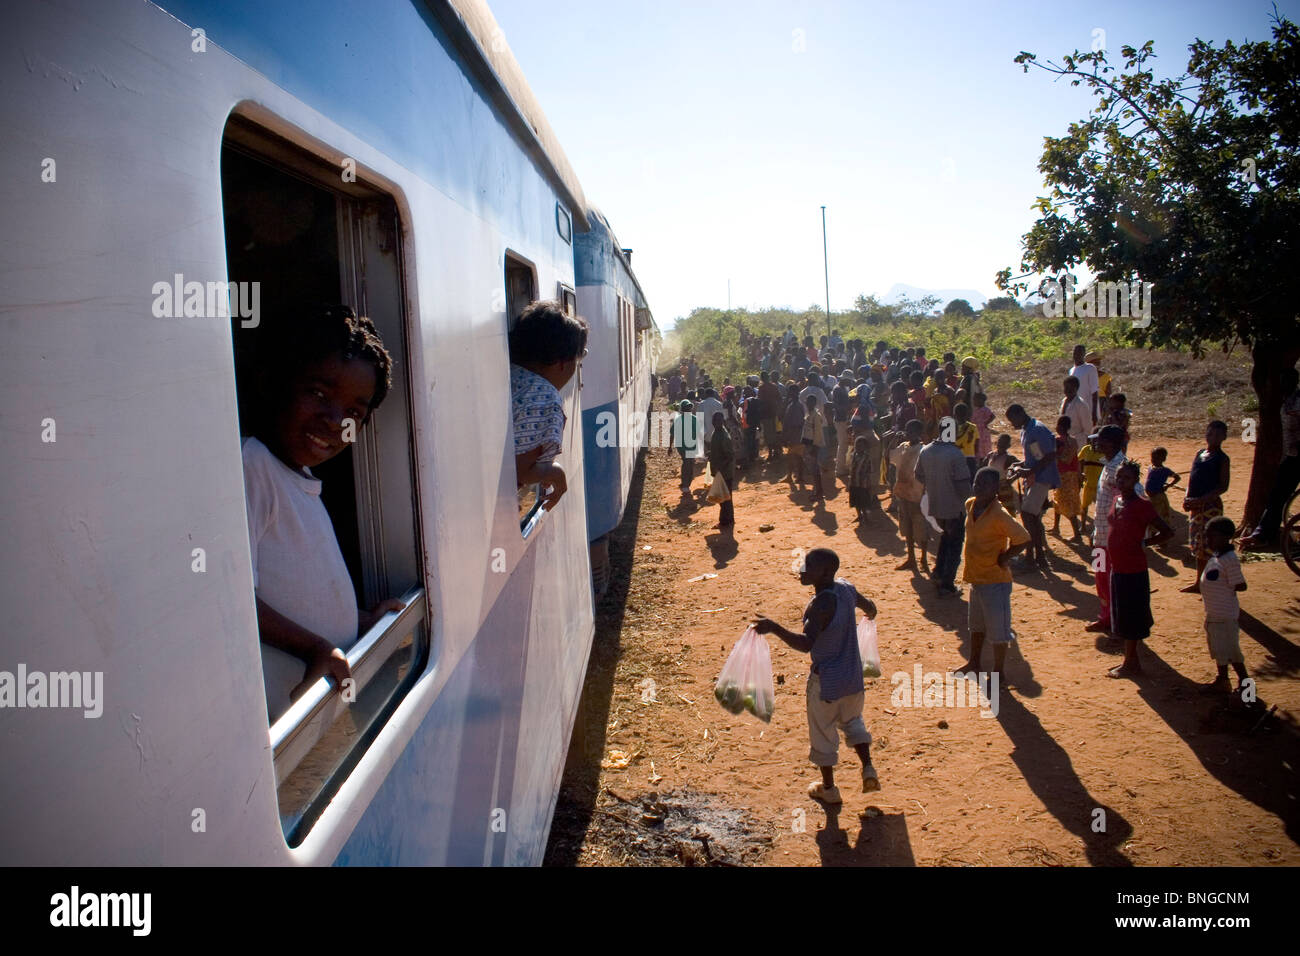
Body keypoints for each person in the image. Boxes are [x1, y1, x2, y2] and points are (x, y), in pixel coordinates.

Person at [243, 305, 407, 723]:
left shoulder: (301, 479)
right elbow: (236, 601)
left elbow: (296, 589)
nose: (335, 421)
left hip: (305, 708)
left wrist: (359, 619)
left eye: (355, 411)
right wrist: (315, 648)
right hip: (276, 715)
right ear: (272, 383)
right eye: (317, 393)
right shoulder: (251, 466)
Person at [754, 548, 880, 804]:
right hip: (852, 678)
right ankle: (868, 767)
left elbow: (806, 644)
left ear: (825, 572)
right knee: (854, 721)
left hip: (826, 683)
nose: (802, 569)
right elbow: (871, 608)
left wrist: (774, 628)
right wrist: (865, 618)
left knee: (823, 733)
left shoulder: (819, 606)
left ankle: (829, 788)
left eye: (809, 565)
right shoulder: (846, 588)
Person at [953, 468, 1032, 686]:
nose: (978, 488)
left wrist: (1005, 557)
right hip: (975, 577)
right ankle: (975, 663)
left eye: (984, 485)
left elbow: (1023, 538)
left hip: (995, 581)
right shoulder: (971, 505)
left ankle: (999, 674)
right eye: (977, 483)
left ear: (995, 489)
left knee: (999, 632)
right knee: (976, 626)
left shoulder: (999, 514)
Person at [510, 300, 588, 514]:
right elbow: (520, 470)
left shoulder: (510, 374)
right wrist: (555, 473)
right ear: (563, 362)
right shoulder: (546, 397)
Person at [1105, 460, 1174, 678]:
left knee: (1131, 616)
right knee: (1124, 614)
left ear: (1135, 480)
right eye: (1119, 477)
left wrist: (1145, 544)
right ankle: (1131, 660)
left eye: (1125, 478)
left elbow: (1167, 531)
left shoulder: (1142, 505)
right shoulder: (1117, 500)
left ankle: (1130, 663)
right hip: (1118, 567)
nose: (1121, 481)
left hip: (1133, 569)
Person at [1240, 366, 1300, 551]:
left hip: (1296, 455)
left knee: (1279, 494)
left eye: (1284, 381)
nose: (1281, 385)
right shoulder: (1283, 401)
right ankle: (1262, 534)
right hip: (1291, 457)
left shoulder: (1298, 401)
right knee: (1277, 495)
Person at [915, 428, 973, 596]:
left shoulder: (925, 450)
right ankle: (947, 585)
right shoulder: (955, 453)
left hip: (936, 506)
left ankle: (938, 574)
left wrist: (934, 484)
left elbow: (918, 475)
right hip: (954, 507)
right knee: (954, 545)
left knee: (945, 539)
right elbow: (963, 485)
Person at [1005, 404, 1060, 572]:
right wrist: (1019, 465)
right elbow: (1036, 457)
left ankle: (1032, 559)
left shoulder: (1037, 429)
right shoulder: (1027, 430)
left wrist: (1029, 470)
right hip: (1034, 477)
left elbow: (1050, 455)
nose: (1012, 424)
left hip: (1042, 478)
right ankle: (1038, 558)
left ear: (1020, 414)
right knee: (1032, 518)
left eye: (1012, 420)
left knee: (1028, 515)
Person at [1199, 516, 1250, 695]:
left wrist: (1225, 588)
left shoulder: (1229, 559)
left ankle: (1248, 690)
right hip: (1214, 614)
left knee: (1232, 653)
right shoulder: (1217, 556)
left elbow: (1241, 584)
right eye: (1207, 537)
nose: (1208, 540)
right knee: (1220, 649)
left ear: (1225, 537)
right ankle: (1222, 681)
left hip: (1225, 616)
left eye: (1212, 537)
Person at [1180, 420, 1231, 593]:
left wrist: (1201, 500)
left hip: (1210, 507)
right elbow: (1192, 479)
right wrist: (1187, 497)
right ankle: (1199, 582)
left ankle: (1212, 583)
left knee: (1211, 546)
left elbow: (1223, 486)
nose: (1213, 437)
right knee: (1198, 546)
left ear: (1224, 437)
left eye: (1217, 434)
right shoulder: (1200, 453)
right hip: (1196, 507)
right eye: (1210, 433)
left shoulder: (1222, 459)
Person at [1084, 426, 1126, 633]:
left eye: (1100, 441)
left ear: (1111, 443)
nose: (1096, 444)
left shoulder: (1121, 469)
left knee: (1111, 581)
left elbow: (1125, 505)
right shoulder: (1108, 465)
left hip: (1112, 540)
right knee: (1100, 576)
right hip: (1100, 537)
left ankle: (1115, 622)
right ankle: (1105, 616)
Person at [891, 419, 930, 573]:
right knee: (907, 528)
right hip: (903, 492)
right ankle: (911, 558)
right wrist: (894, 439)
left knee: (921, 528)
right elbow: (889, 456)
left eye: (913, 431)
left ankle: (924, 558)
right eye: (908, 431)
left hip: (918, 495)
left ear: (920, 434)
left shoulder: (924, 450)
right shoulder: (903, 447)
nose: (909, 434)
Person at [1052, 416, 1082, 540]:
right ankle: (1056, 527)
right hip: (1067, 474)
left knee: (1067, 503)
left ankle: (1077, 534)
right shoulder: (1070, 441)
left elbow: (1067, 460)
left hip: (1066, 475)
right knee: (1058, 500)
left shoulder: (1065, 441)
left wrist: (1055, 455)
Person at [709, 411, 736, 528]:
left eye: (720, 421)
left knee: (725, 498)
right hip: (720, 470)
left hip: (724, 472)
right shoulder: (717, 433)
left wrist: (720, 467)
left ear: (723, 422)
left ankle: (725, 521)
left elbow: (729, 456)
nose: (718, 423)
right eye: (716, 421)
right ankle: (728, 520)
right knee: (725, 497)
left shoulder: (723, 436)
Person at [985, 433, 1021, 516]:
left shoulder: (1009, 458)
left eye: (1004, 443)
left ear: (1008, 446)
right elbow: (982, 467)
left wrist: (1012, 478)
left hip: (1003, 487)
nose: (1001, 445)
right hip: (990, 486)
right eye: (1000, 442)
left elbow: (1021, 467)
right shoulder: (991, 455)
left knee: (1007, 513)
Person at [1078, 433, 1106, 537]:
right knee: (1084, 507)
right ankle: (1083, 526)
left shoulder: (1104, 453)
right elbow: (1078, 460)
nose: (1095, 443)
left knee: (1100, 508)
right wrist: (1080, 473)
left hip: (1100, 486)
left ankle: (1099, 527)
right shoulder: (1086, 449)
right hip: (1088, 484)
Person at [801, 394, 828, 505]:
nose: (808, 404)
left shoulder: (815, 415)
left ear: (814, 403)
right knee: (813, 469)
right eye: (807, 402)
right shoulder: (809, 414)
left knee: (815, 470)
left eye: (810, 402)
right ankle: (817, 491)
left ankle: (819, 492)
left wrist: (816, 446)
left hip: (813, 445)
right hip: (809, 444)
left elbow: (818, 432)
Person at [1144, 447, 1180, 528]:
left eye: (1157, 458)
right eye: (1152, 458)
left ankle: (1163, 530)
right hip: (1151, 497)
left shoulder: (1165, 471)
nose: (1153, 460)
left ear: (1163, 459)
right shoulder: (1151, 468)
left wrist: (1168, 485)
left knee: (1159, 514)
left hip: (1158, 497)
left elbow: (1177, 477)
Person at [671, 400, 702, 491]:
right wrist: (669, 447)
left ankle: (686, 482)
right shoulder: (678, 420)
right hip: (682, 446)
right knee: (686, 463)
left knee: (690, 463)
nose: (688, 410)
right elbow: (672, 433)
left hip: (692, 445)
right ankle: (685, 484)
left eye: (689, 408)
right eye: (686, 408)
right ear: (683, 409)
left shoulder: (694, 419)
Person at [1069, 344, 1100, 426]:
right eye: (1075, 352)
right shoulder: (1072, 370)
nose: (1077, 355)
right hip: (1076, 410)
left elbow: (1095, 392)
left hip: (1088, 409)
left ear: (1084, 354)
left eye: (1080, 353)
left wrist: (1094, 413)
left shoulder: (1090, 368)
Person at [849, 435, 876, 524]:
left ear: (865, 447)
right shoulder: (853, 455)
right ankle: (859, 516)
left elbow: (870, 471)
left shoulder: (867, 458)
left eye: (860, 446)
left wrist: (869, 484)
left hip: (863, 484)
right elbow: (851, 468)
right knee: (855, 501)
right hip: (854, 482)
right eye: (856, 445)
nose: (858, 448)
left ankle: (865, 517)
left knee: (863, 502)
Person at [783, 391, 807, 487]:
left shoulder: (794, 406)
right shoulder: (797, 405)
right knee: (797, 456)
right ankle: (795, 476)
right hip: (797, 434)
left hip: (795, 435)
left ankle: (793, 476)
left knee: (793, 456)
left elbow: (792, 422)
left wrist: (786, 435)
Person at [1059, 375, 1092, 447]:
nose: (1067, 390)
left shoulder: (1081, 405)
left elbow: (1087, 430)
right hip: (1064, 443)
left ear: (1076, 388)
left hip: (1077, 444)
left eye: (1070, 388)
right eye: (1066, 387)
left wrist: (1075, 441)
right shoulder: (1064, 401)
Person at [757, 371, 782, 462]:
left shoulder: (761, 388)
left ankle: (772, 453)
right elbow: (779, 399)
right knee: (775, 433)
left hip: (766, 414)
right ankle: (776, 452)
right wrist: (779, 412)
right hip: (773, 413)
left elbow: (760, 402)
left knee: (768, 434)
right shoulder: (773, 387)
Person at [952, 402, 979, 481]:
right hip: (970, 458)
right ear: (967, 414)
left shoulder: (951, 428)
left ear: (954, 414)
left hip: (955, 459)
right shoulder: (973, 427)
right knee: (969, 481)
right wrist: (976, 458)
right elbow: (976, 445)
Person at [971, 391, 994, 461]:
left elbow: (992, 416)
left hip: (983, 432)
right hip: (977, 431)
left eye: (975, 400)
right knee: (978, 447)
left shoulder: (985, 410)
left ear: (981, 400)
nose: (974, 402)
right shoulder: (976, 410)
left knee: (985, 447)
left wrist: (985, 423)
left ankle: (985, 459)